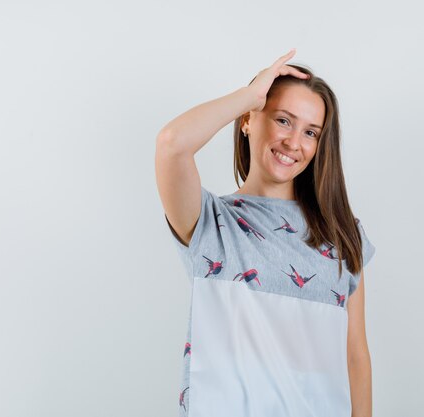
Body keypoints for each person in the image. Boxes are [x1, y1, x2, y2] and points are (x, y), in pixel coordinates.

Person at [155, 48, 376, 417]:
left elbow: (355, 356)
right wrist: (251, 95)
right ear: (248, 121)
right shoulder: (211, 222)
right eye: (283, 120)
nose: (294, 142)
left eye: (310, 132)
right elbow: (171, 144)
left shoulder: (341, 235)